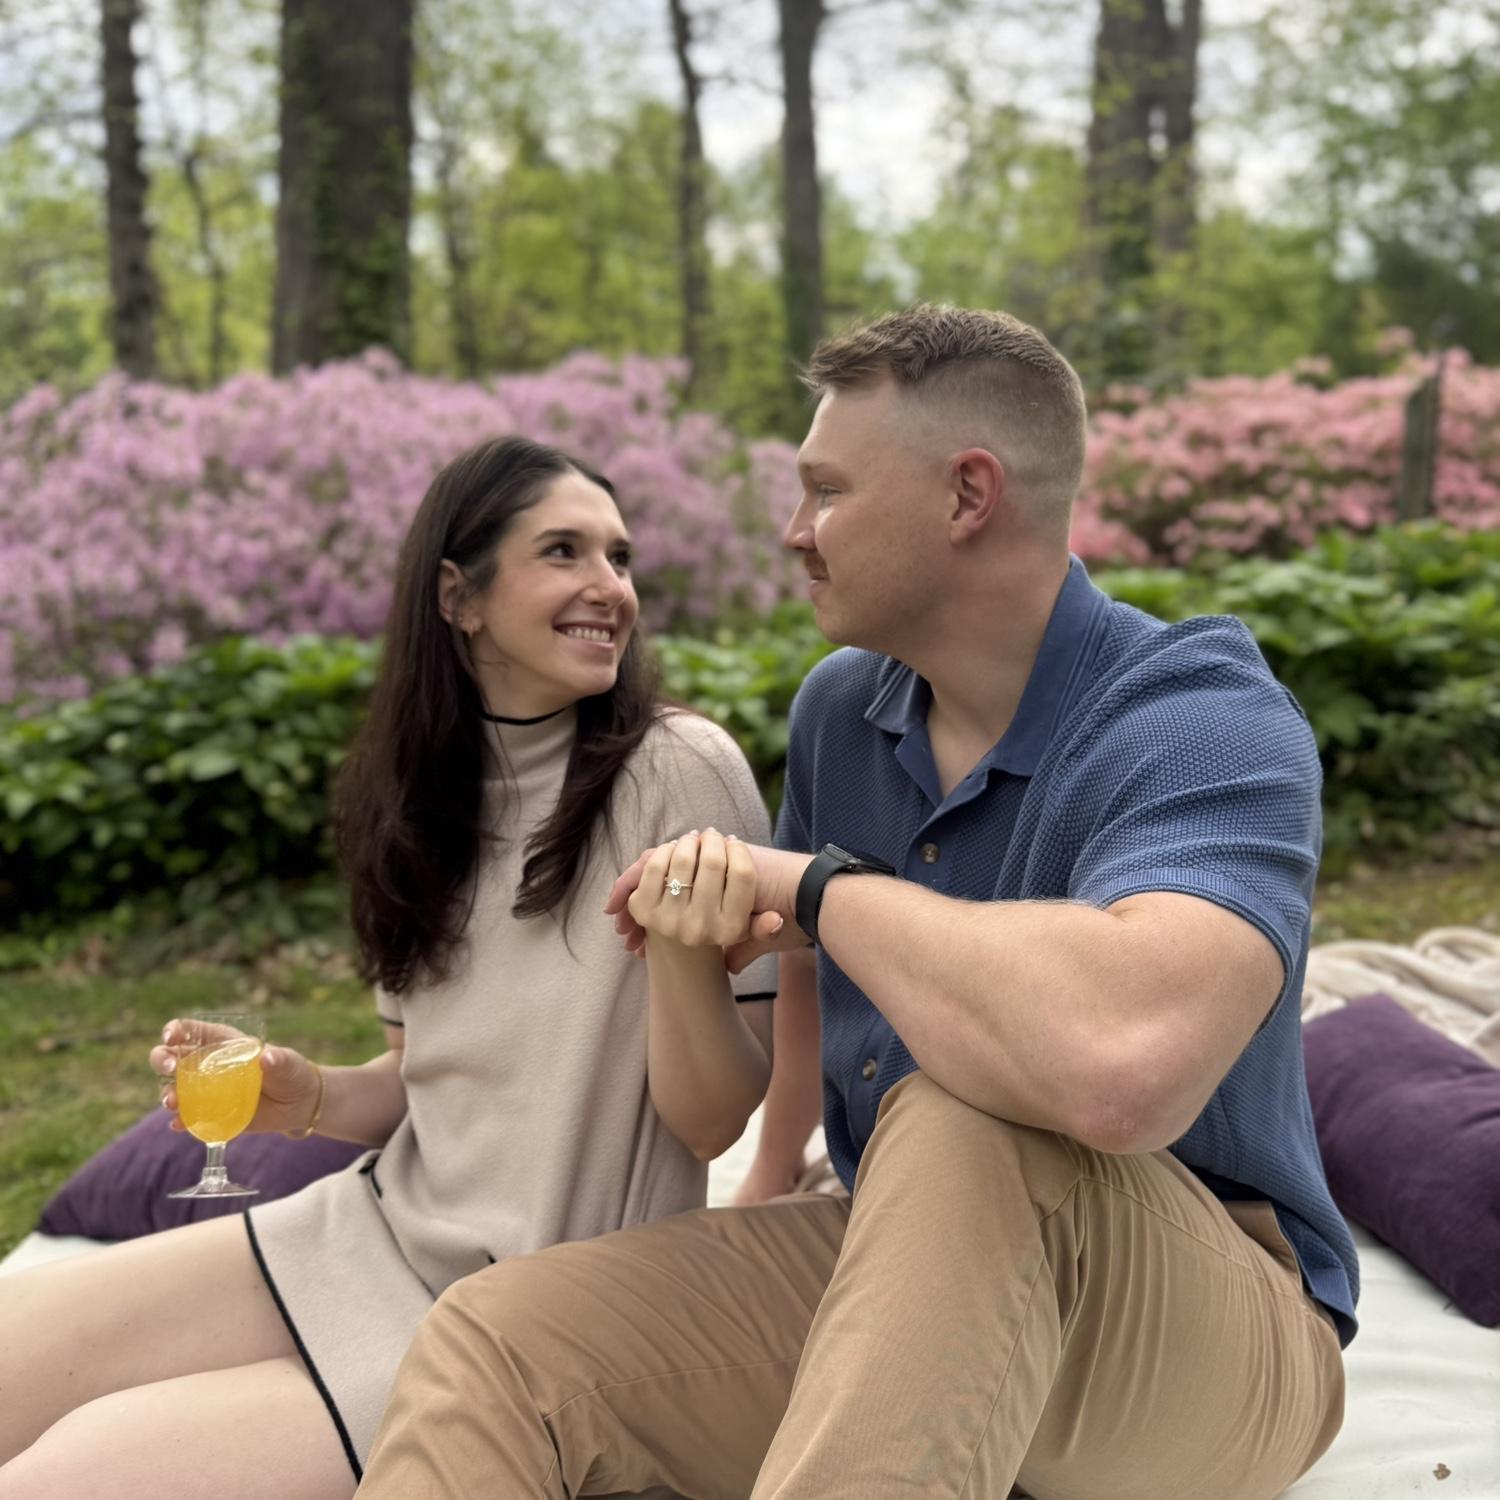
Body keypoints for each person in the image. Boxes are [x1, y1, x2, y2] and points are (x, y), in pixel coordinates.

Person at [357, 307, 1356, 1500]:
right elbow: (806, 978)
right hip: (908, 1238)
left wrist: (822, 888)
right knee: (497, 1344)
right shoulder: (844, 711)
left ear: (968, 496)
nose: (795, 531)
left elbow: (1121, 1065)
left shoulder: (1201, 718)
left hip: (1212, 1334)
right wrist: (774, 1170)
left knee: (969, 1115)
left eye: (826, 492)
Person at [0, 437, 778, 1499]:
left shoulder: (679, 769)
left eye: (620, 556)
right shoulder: (413, 797)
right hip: (374, 1228)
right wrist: (307, 1094)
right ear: (459, 597)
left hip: (526, 1316)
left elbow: (714, 1122)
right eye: (564, 551)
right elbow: (424, 1085)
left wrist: (680, 954)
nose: (610, 587)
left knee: (59, 1479)